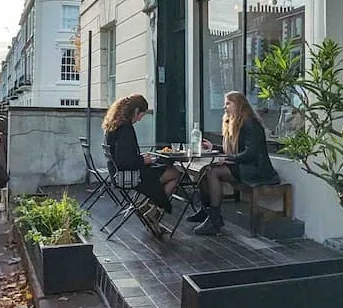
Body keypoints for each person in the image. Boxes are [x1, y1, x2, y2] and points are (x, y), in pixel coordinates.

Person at [190, 91, 278, 236]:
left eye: (228, 103)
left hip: (256, 170)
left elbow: (252, 153)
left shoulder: (250, 123)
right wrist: (215, 148)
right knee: (205, 170)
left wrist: (229, 159)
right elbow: (233, 151)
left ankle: (214, 220)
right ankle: (207, 212)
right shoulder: (234, 122)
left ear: (238, 105)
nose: (225, 107)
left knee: (212, 171)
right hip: (243, 165)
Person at [102, 93, 181, 226]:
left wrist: (140, 159)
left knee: (163, 169)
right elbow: (124, 161)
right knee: (175, 173)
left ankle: (149, 206)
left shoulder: (114, 126)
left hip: (118, 174)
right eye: (140, 116)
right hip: (130, 176)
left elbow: (122, 157)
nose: (139, 120)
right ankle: (154, 210)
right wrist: (143, 160)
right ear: (136, 111)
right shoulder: (125, 129)